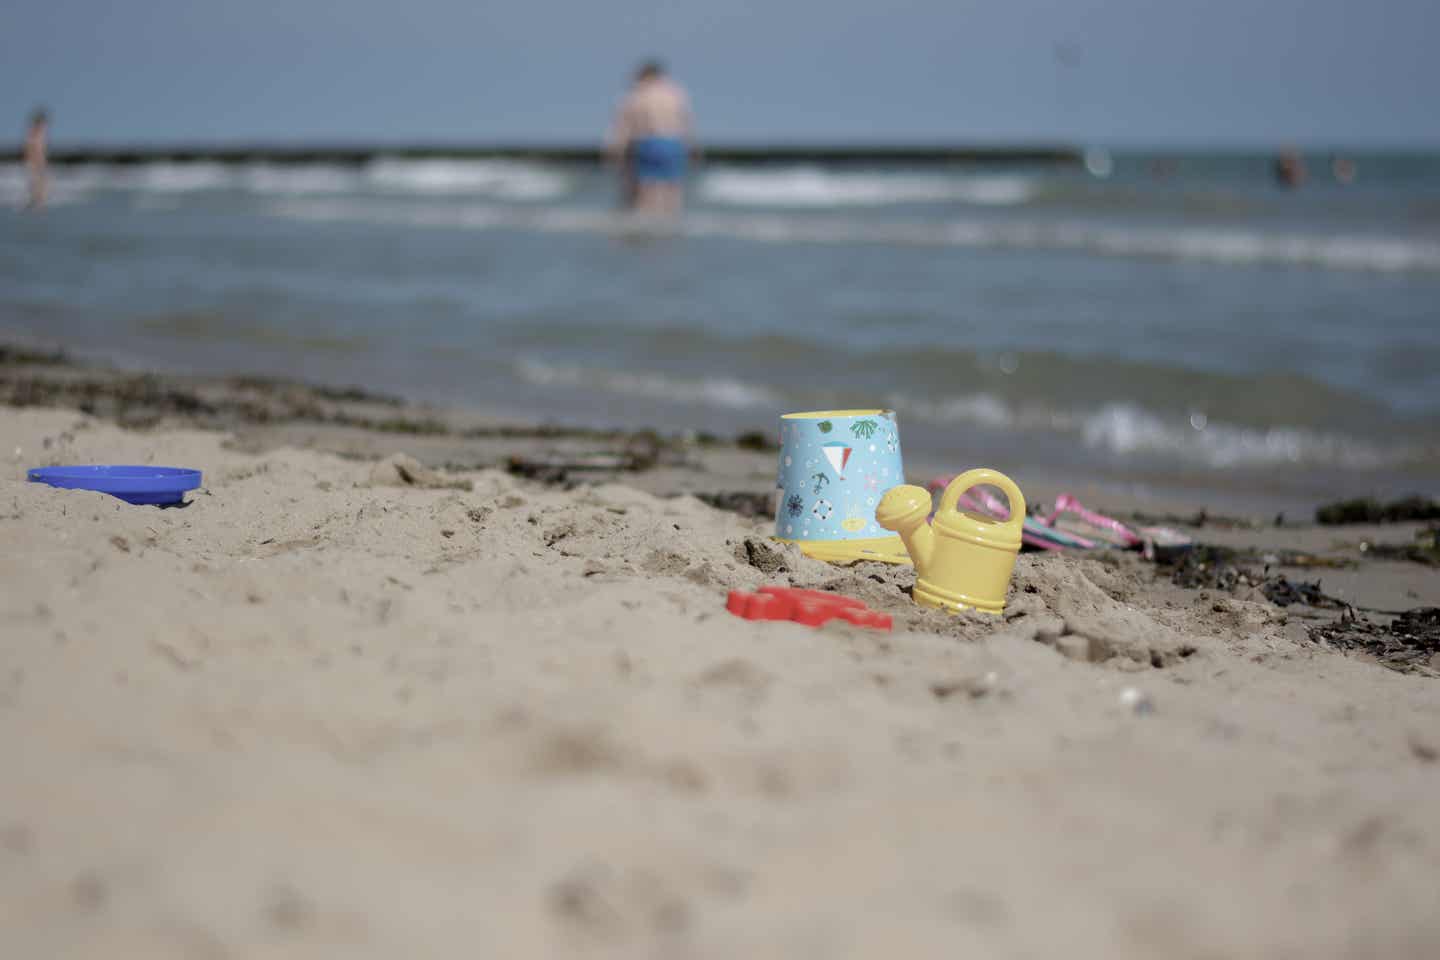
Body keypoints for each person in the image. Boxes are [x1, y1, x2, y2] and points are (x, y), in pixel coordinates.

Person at [606, 60, 695, 214]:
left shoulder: (637, 94)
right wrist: (692, 147)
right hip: (674, 143)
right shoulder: (676, 93)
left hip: (647, 142)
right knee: (672, 188)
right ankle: (669, 223)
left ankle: (645, 224)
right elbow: (687, 122)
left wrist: (615, 150)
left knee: (645, 189)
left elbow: (624, 125)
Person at [24, 108, 49, 210]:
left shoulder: (40, 131)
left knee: (40, 180)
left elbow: (40, 147)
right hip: (35, 159)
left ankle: (39, 200)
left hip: (39, 159)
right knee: (36, 180)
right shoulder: (34, 131)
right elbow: (30, 146)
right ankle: (37, 200)